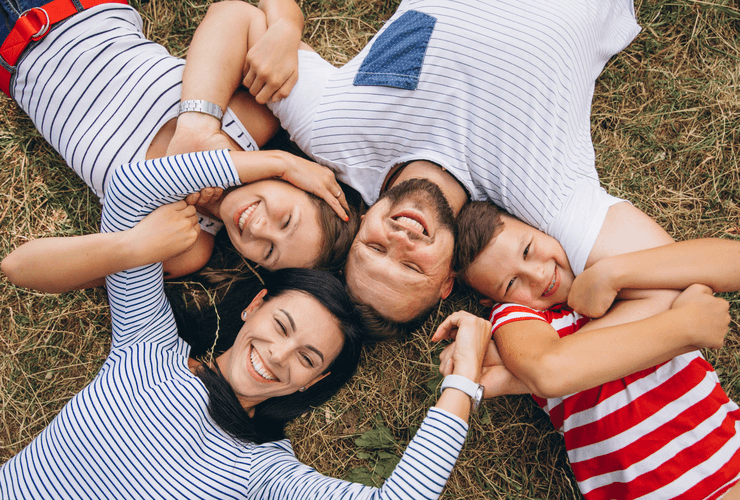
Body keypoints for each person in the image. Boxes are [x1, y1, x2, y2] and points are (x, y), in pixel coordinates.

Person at [0, 148, 493, 498]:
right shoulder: (146, 348)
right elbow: (134, 186)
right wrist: (279, 164)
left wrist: (463, 380)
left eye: (307, 358)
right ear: (253, 306)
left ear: (315, 381)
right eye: (281, 325)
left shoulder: (264, 473)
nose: (279, 356)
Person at [172, 0, 680, 339]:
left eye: (374, 248)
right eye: (413, 265)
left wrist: (197, 128)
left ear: (356, 224)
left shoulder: (334, 136)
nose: (400, 240)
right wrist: (546, 360)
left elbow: (238, 20)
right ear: (448, 280)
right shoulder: (544, 202)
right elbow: (671, 281)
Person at [0, 0, 357, 281]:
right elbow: (237, 16)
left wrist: (132, 247)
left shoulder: (187, 242)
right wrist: (197, 129)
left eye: (269, 253)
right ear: (298, 183)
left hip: (9, 61)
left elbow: (21, 267)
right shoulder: (253, 119)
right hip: (82, 8)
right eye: (287, 221)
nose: (261, 230)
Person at [441, 200, 740, 499]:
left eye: (528, 250)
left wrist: (611, 274)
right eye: (510, 284)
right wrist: (681, 320)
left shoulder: (620, 264)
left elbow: (722, 266)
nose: (538, 275)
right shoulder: (518, 316)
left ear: (541, 228)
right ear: (493, 302)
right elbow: (545, 365)